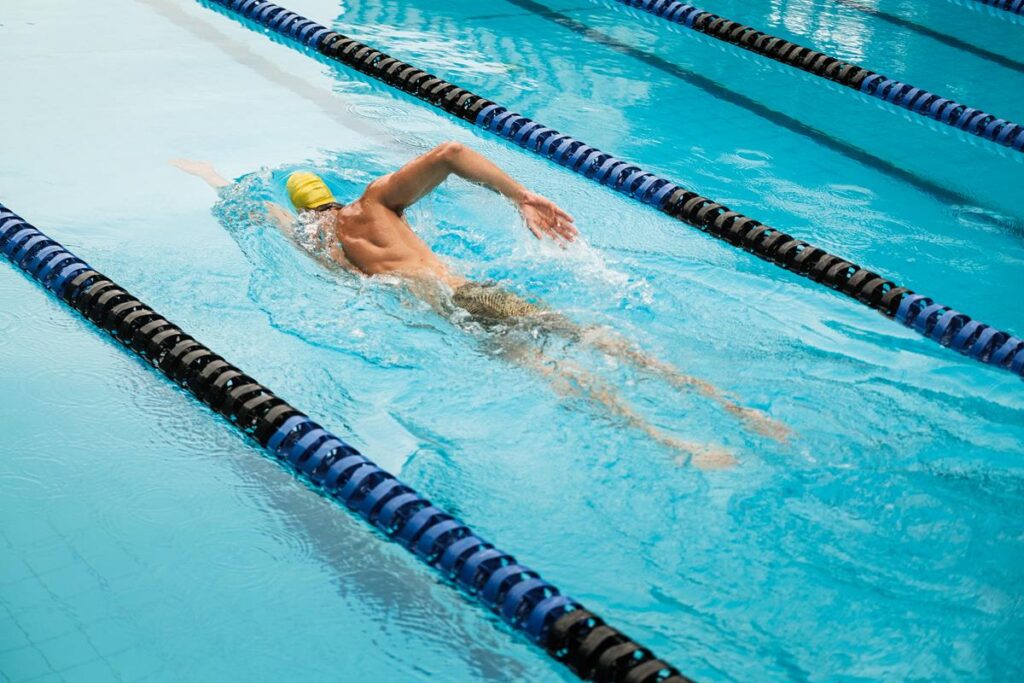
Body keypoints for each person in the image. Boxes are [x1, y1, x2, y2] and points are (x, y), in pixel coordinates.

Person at [172, 143, 789, 468]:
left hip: (430, 314)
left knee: (551, 372)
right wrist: (522, 195)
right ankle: (736, 411)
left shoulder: (313, 241)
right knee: (593, 338)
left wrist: (211, 175)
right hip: (467, 290)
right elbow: (447, 152)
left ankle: (673, 445)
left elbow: (256, 207)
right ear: (332, 194)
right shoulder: (373, 205)